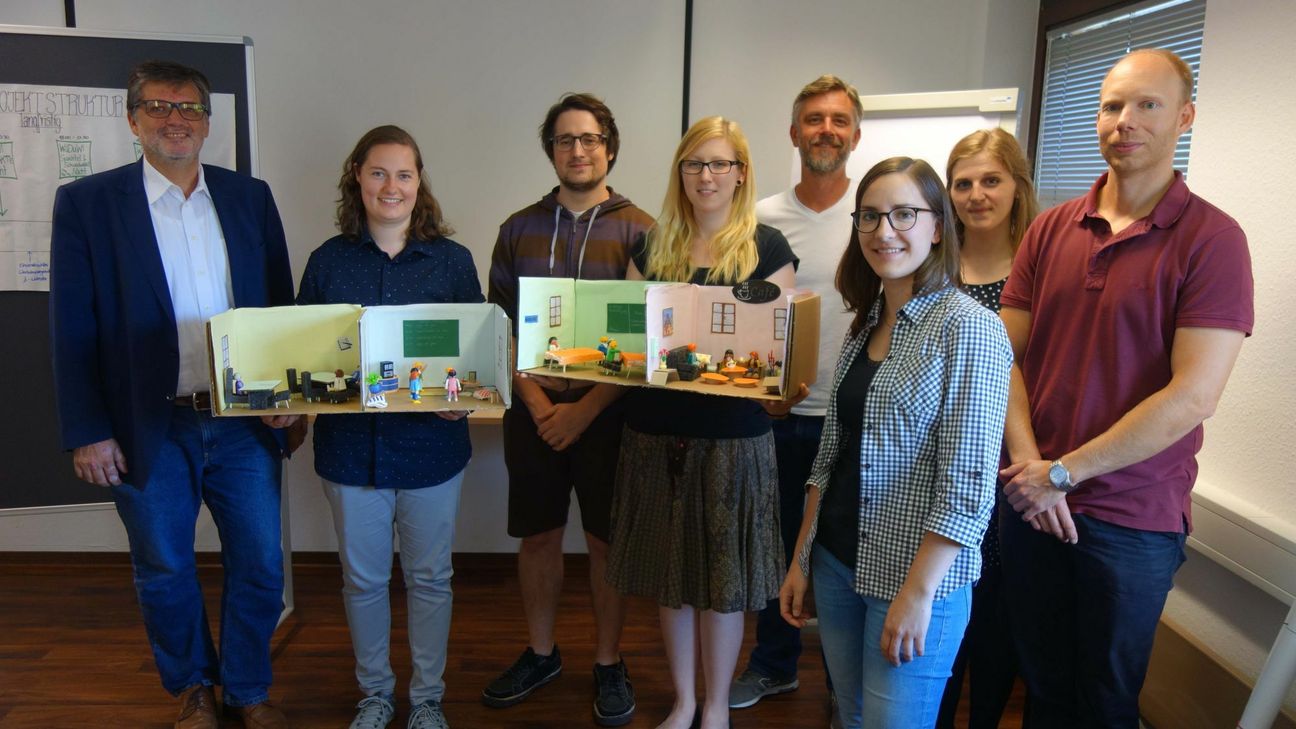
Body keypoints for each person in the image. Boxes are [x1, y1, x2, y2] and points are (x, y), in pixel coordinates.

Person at [997, 48, 1253, 729]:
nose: (1125, 121)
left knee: (1104, 703)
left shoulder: (1213, 240)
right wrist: (1033, 472)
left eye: (1148, 104)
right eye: (1112, 105)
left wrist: (1064, 472)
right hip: (1032, 501)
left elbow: (1194, 395)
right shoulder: (1050, 229)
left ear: (1185, 116)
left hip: (1130, 519)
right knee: (1042, 688)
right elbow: (1003, 358)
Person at [49, 60, 297, 729]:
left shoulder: (250, 198)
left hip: (243, 419)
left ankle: (246, 688)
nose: (175, 118)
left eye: (188, 107)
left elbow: (278, 306)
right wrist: (86, 428)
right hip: (144, 423)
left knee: (260, 559)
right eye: (157, 106)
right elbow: (71, 325)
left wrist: (290, 394)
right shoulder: (88, 205)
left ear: (207, 123)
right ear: (133, 120)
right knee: (163, 563)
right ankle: (192, 688)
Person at [780, 157, 1012, 729]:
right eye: (871, 216)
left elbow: (971, 483)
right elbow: (830, 454)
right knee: (850, 719)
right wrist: (802, 557)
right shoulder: (867, 321)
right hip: (836, 562)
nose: (885, 231)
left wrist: (917, 593)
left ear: (938, 226)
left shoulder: (970, 327)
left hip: (912, 578)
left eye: (905, 214)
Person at [607, 116, 797, 729]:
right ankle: (684, 700)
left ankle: (716, 707)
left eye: (719, 164)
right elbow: (629, 346)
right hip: (654, 437)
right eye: (695, 164)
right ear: (680, 173)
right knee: (673, 581)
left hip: (733, 443)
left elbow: (776, 354)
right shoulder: (650, 246)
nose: (707, 176)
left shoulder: (768, 249)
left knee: (723, 583)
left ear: (741, 173)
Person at [296, 125, 483, 729]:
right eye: (379, 172)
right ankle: (375, 694)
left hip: (432, 450)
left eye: (404, 174)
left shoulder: (452, 263)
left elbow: (476, 357)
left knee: (431, 579)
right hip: (352, 455)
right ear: (358, 176)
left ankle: (427, 698)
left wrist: (466, 401)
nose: (391, 186)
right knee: (364, 581)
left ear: (419, 182)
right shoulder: (327, 262)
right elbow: (306, 357)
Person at [484, 92, 654, 727]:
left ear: (608, 146)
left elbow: (647, 341)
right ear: (550, 150)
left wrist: (585, 409)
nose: (577, 150)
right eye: (564, 140)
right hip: (533, 411)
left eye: (588, 139)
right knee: (539, 536)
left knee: (607, 541)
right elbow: (498, 326)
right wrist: (536, 402)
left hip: (610, 415)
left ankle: (609, 662)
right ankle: (541, 652)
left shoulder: (642, 229)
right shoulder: (517, 228)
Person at [732, 74, 863, 717]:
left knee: (843, 558)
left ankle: (842, 685)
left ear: (856, 135)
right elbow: (743, 315)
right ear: (793, 133)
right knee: (774, 544)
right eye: (813, 119)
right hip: (777, 416)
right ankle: (774, 665)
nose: (826, 130)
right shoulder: (760, 220)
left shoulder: (875, 214)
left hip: (855, 420)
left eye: (838, 120)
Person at [935, 128, 1039, 729]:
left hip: (1006, 465)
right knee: (942, 617)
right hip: (939, 460)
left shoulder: (1040, 268)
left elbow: (1024, 370)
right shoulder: (933, 263)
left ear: (1016, 186)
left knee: (996, 622)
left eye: (991, 180)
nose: (976, 195)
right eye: (964, 183)